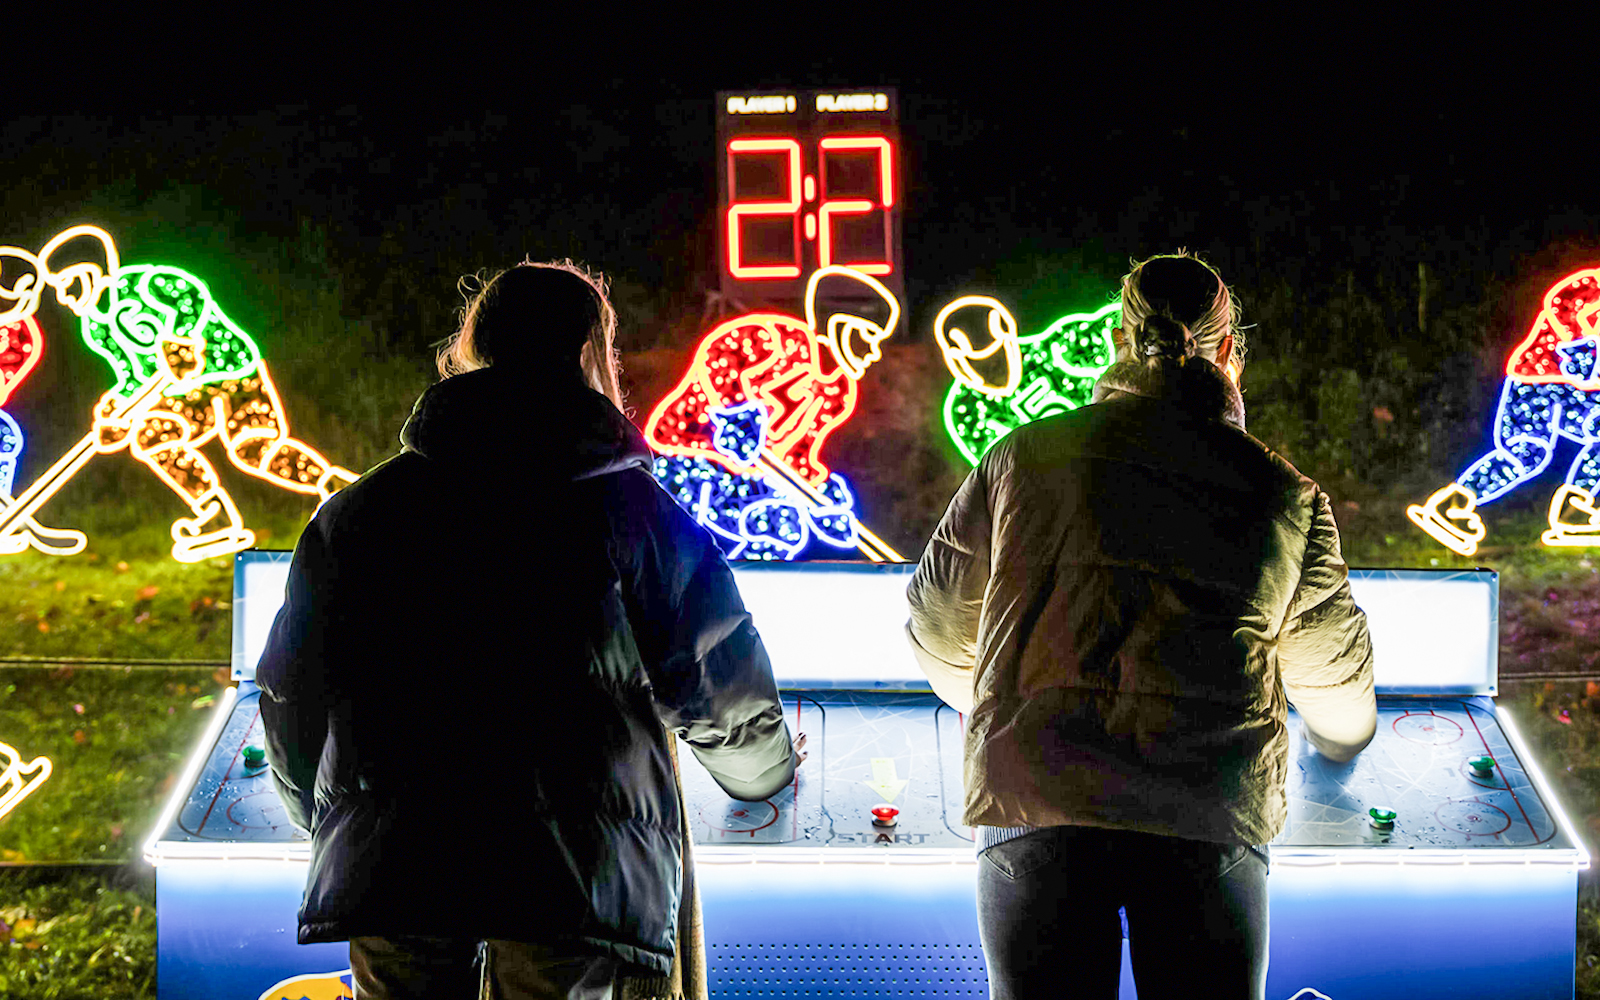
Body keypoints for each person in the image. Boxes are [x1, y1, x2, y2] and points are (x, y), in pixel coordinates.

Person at [256, 261, 801, 1000]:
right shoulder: (634, 513)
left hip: (393, 863)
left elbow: (293, 690)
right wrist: (765, 774)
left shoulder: (362, 514)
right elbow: (714, 678)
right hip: (569, 876)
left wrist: (324, 818)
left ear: (473, 345)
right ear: (590, 354)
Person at [905, 252, 1376, 1000]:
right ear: (1229, 354)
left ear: (1122, 343)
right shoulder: (1282, 492)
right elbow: (1336, 684)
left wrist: (1004, 693)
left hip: (1035, 796)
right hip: (1207, 812)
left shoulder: (1023, 457)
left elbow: (935, 627)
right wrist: (1342, 739)